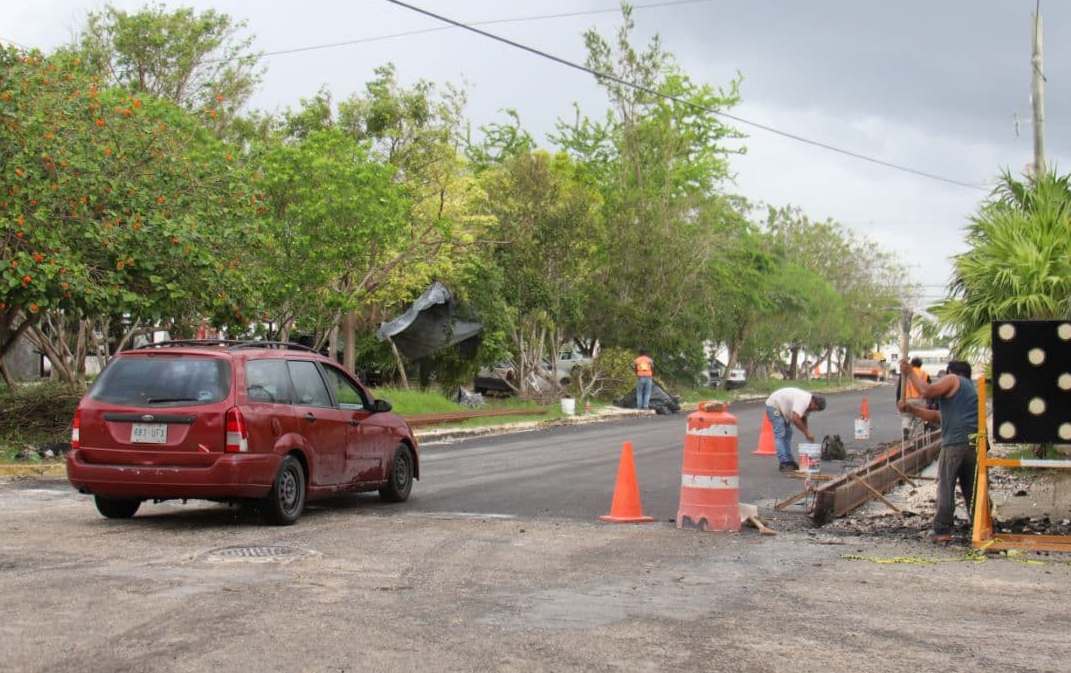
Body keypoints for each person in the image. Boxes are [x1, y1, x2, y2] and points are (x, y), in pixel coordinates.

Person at [898, 359, 978, 543]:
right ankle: (983, 524)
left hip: (955, 442)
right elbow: (939, 417)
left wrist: (910, 372)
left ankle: (942, 528)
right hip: (973, 442)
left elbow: (926, 391)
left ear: (952, 371)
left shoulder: (953, 379)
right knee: (972, 487)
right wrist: (912, 409)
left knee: (946, 485)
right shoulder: (968, 391)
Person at [764, 387, 827, 472]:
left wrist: (807, 433)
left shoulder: (809, 404)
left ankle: (789, 461)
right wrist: (806, 432)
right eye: (815, 409)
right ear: (814, 402)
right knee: (781, 433)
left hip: (782, 407)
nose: (814, 411)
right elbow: (795, 418)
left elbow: (803, 418)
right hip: (774, 405)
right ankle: (784, 463)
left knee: (788, 433)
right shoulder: (804, 401)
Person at [895, 356, 931, 440]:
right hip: (921, 400)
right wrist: (929, 402)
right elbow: (929, 388)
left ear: (911, 364)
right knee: (920, 418)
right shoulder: (925, 374)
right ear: (921, 365)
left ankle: (906, 428)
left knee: (906, 416)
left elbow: (900, 387)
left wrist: (898, 400)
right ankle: (917, 437)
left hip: (908, 399)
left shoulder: (905, 373)